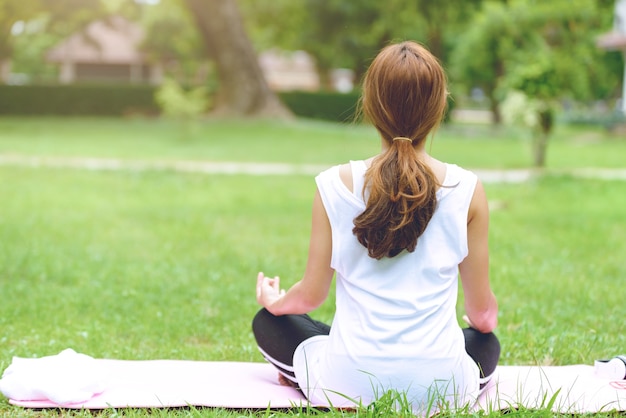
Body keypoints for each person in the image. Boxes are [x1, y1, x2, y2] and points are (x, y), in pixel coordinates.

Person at [252, 41, 500, 413]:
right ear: (439, 106)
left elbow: (311, 297)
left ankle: (304, 370)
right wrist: (484, 321)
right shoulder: (468, 190)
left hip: (345, 385)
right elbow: (481, 315)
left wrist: (276, 302)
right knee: (485, 341)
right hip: (442, 388)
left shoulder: (333, 185)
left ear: (370, 104)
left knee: (269, 323)